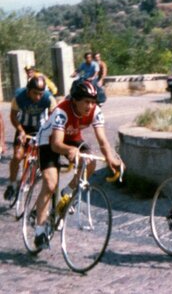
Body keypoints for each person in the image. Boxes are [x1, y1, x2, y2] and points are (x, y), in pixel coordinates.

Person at [33, 81, 122, 249]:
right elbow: (56, 144)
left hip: (72, 136)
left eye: (93, 101)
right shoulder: (61, 111)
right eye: (86, 101)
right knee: (50, 183)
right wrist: (69, 150)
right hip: (49, 140)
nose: (90, 106)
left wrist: (111, 158)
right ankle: (39, 231)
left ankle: (67, 194)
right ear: (75, 100)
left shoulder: (95, 111)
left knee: (90, 162)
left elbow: (102, 140)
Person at [3, 76, 56, 201]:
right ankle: (12, 184)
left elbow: (54, 117)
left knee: (40, 158)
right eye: (35, 93)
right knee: (17, 156)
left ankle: (32, 174)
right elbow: (13, 116)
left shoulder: (49, 98)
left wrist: (48, 131)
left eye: (40, 94)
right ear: (28, 90)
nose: (38, 97)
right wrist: (20, 131)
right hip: (24, 128)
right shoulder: (19, 97)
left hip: (41, 128)